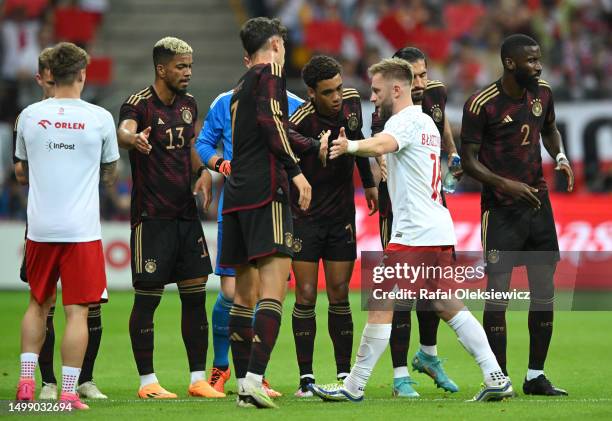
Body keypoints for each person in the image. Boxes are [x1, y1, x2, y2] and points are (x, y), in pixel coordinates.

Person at [310, 58, 514, 403]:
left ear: (396, 89)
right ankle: (496, 376)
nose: (371, 98)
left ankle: (354, 385)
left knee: (381, 304)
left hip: (415, 233)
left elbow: (382, 144)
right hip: (435, 228)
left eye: (375, 90)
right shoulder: (425, 124)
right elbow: (395, 151)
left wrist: (351, 147)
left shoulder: (403, 121)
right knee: (446, 303)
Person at [461, 33, 572, 396]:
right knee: (498, 296)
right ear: (510, 63)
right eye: (531, 60)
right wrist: (505, 185)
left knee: (544, 292)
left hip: (538, 206)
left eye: (539, 60)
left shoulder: (543, 93)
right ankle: (500, 377)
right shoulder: (481, 104)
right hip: (501, 210)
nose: (538, 66)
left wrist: (559, 156)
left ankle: (535, 376)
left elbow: (550, 130)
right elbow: (470, 162)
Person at [14, 42, 119, 410]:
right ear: (82, 74)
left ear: (48, 76)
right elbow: (110, 172)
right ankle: (70, 391)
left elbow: (21, 170)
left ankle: (27, 384)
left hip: (40, 227)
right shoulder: (100, 118)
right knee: (78, 311)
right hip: (81, 230)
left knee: (37, 305)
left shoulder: (28, 116)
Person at [117, 37, 221, 400]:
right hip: (152, 218)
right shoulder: (138, 104)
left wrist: (203, 172)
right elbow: (124, 131)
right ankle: (148, 383)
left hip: (185, 216)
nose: (188, 73)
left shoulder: (189, 104)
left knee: (195, 299)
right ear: (161, 68)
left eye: (190, 66)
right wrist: (133, 140)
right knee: (148, 300)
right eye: (181, 66)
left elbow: (191, 146)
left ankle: (197, 380)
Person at [195, 56, 304, 398]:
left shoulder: (293, 103)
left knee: (263, 293)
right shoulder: (224, 101)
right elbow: (202, 144)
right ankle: (222, 367)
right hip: (239, 202)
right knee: (233, 293)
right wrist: (217, 164)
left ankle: (255, 374)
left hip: (271, 198)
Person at [219, 17, 311, 409]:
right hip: (265, 192)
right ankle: (255, 381)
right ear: (274, 44)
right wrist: (297, 173)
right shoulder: (271, 73)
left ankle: (243, 385)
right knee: (275, 287)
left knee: (243, 295)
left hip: (237, 195)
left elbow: (261, 130)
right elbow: (273, 124)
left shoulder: (238, 88)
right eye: (284, 46)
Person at [371, 47, 459, 397]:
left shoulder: (435, 93)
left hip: (433, 206)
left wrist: (451, 152)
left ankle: (429, 355)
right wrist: (377, 170)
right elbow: (380, 144)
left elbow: (442, 123)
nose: (422, 82)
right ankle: (399, 375)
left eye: (424, 74)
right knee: (400, 294)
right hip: (400, 212)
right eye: (416, 76)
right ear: (400, 82)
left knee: (434, 290)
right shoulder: (389, 110)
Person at [288, 55, 377, 397]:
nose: (338, 97)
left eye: (339, 88)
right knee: (307, 295)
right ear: (311, 93)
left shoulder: (352, 103)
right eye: (328, 92)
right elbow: (284, 163)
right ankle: (306, 378)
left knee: (340, 294)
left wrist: (368, 183)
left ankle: (344, 374)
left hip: (341, 216)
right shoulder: (298, 123)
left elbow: (359, 140)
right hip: (306, 218)